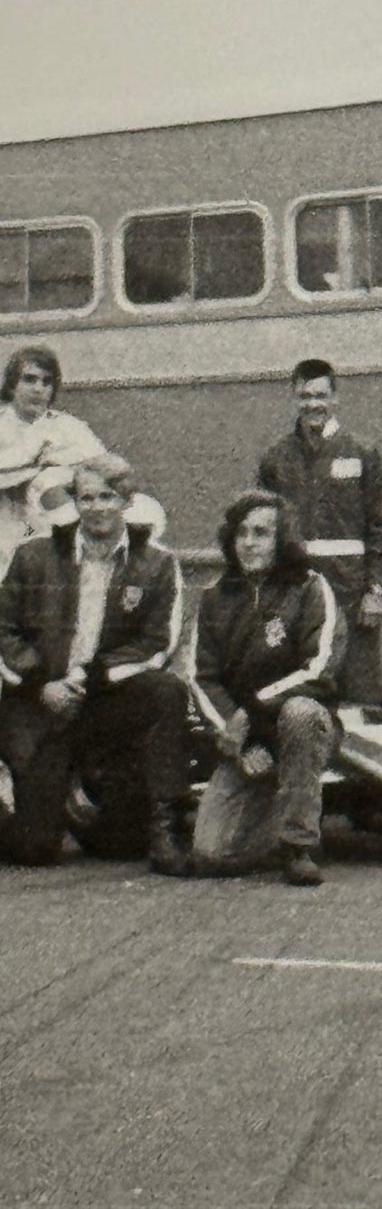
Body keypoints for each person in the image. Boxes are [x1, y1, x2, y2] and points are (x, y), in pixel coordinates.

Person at [0, 454, 189, 872]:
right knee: (35, 850)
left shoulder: (158, 563)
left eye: (108, 496)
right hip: (42, 703)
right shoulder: (34, 556)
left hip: (103, 698)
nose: (98, 507)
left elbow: (159, 642)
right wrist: (41, 685)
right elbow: (4, 629)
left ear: (127, 501)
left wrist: (94, 677)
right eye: (87, 498)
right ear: (75, 502)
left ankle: (166, 828)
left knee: (167, 692)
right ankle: (24, 796)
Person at [190, 491, 342, 887]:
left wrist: (255, 711)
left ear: (281, 539)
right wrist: (238, 743)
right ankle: (283, 810)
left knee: (301, 712)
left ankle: (299, 846)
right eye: (241, 533)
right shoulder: (214, 597)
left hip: (299, 726)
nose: (249, 542)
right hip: (245, 738)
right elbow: (201, 677)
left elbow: (319, 668)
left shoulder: (310, 587)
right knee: (211, 852)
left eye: (261, 533)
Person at [258, 359, 382, 701]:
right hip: (297, 594)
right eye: (305, 396)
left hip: (351, 593)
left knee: (358, 693)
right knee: (299, 688)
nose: (313, 405)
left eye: (321, 395)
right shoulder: (276, 458)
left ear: (334, 397)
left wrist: (375, 591)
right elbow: (264, 528)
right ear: (294, 398)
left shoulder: (362, 452)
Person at [0, 345, 105, 573]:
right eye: (29, 380)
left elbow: (104, 470)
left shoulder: (67, 427)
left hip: (45, 528)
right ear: (12, 385)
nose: (38, 389)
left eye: (46, 382)